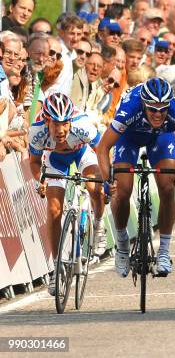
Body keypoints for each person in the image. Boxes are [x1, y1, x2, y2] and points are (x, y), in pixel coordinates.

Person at [96, 77, 175, 277]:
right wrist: (108, 180)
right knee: (122, 191)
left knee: (168, 187)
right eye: (152, 109)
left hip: (160, 138)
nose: (158, 114)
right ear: (143, 104)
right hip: (129, 137)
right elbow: (103, 148)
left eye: (162, 109)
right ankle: (123, 246)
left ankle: (164, 252)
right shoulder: (129, 109)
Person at [27, 93, 106, 295]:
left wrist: (108, 176)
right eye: (55, 124)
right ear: (46, 121)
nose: (61, 130)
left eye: (64, 123)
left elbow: (103, 150)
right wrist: (41, 180)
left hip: (82, 153)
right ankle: (56, 269)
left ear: (70, 120)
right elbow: (35, 163)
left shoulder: (82, 125)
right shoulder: (36, 131)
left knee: (94, 187)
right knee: (54, 210)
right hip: (55, 160)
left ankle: (98, 223)